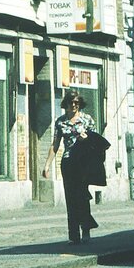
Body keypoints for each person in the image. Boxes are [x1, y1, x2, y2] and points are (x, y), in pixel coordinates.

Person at [42, 94, 99, 244]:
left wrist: (87, 138)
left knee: (82, 195)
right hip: (68, 162)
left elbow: (96, 140)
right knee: (71, 198)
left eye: (77, 103)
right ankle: (74, 235)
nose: (74, 105)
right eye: (71, 102)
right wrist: (47, 165)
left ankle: (86, 229)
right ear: (65, 104)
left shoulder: (87, 120)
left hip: (83, 162)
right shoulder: (60, 122)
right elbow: (55, 145)